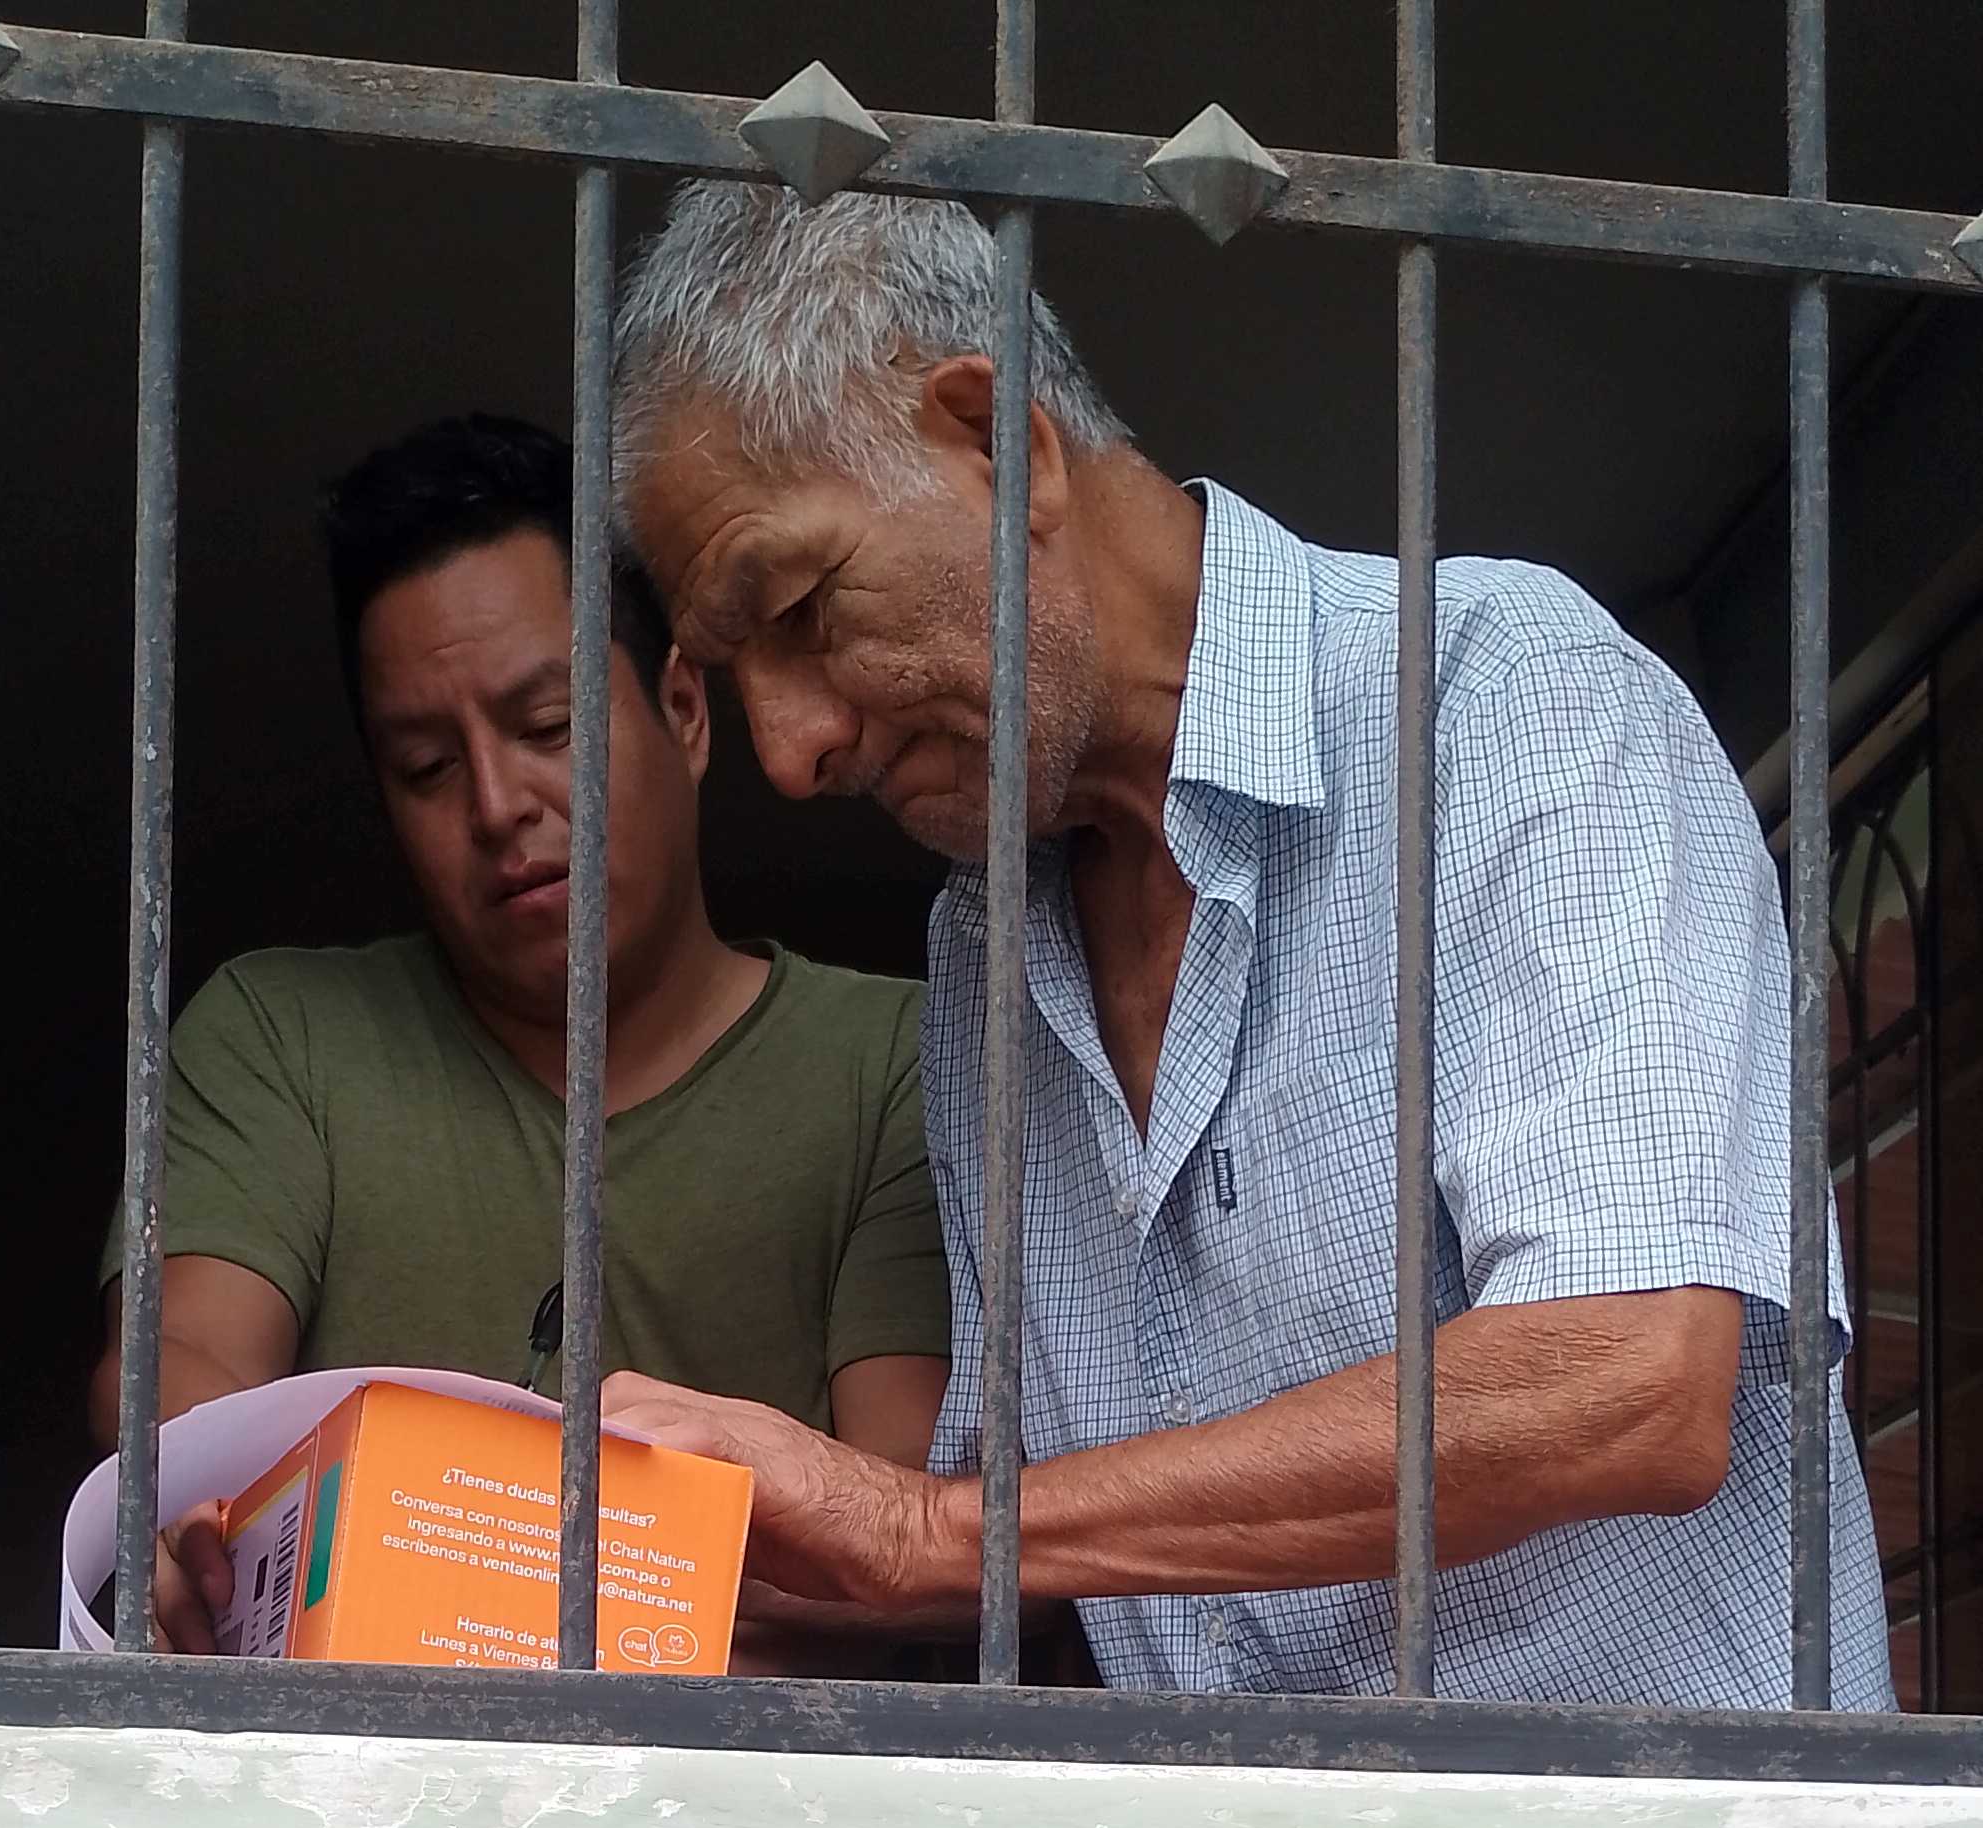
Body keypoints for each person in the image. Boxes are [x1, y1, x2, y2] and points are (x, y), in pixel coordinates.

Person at [596, 186, 1894, 1712]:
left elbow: (1629, 1376)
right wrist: (589, 1598)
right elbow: (1048, 1564)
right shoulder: (981, 947)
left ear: (996, 440)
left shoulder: (1504, 701)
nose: (789, 747)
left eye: (802, 612)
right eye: (734, 674)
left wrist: (922, 1532)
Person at [91, 410, 949, 1651]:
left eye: (548, 728)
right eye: (427, 768)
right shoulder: (280, 1038)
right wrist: (195, 1508)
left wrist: (461, 1569)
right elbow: (176, 1373)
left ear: (684, 709)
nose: (497, 805)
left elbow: (914, 1533)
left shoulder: (902, 1066)